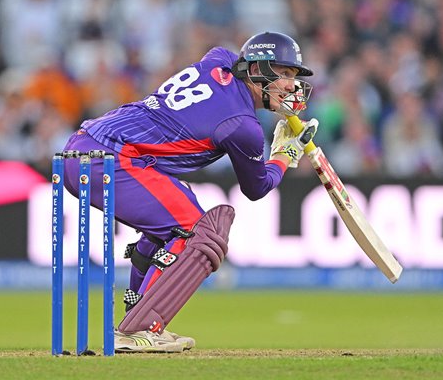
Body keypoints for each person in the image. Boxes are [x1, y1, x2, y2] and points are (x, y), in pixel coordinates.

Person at [61, 31, 318, 353]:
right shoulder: (242, 126)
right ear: (255, 69)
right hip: (112, 158)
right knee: (197, 233)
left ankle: (138, 322)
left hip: (90, 145)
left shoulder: (219, 62)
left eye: (293, 77)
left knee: (168, 229)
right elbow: (257, 187)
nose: (291, 86)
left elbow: (220, 54)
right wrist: (284, 156)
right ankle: (138, 329)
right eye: (283, 74)